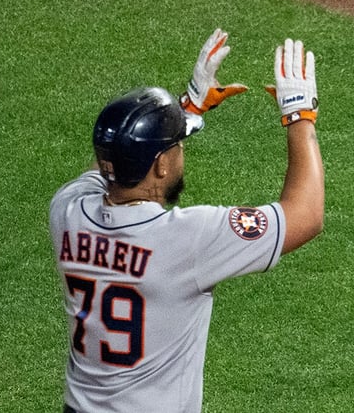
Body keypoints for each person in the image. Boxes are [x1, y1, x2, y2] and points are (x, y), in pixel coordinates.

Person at [49, 30, 324, 413]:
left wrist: (187, 110)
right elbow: (306, 215)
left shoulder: (67, 212)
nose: (181, 149)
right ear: (161, 165)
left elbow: (110, 164)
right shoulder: (188, 239)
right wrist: (299, 115)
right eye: (176, 144)